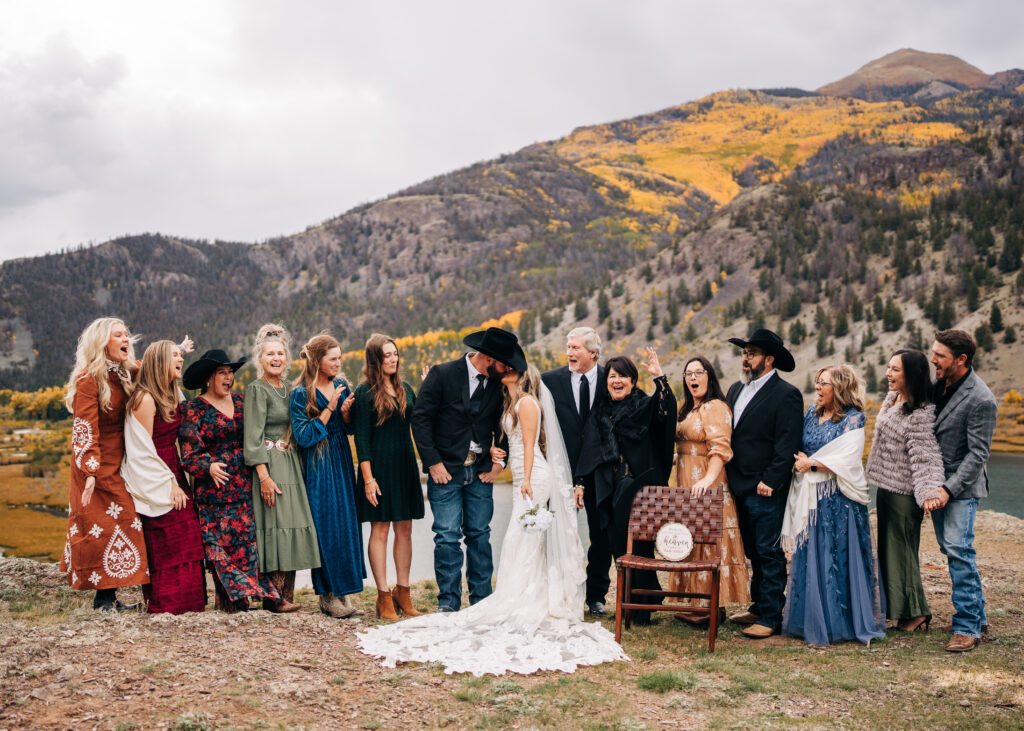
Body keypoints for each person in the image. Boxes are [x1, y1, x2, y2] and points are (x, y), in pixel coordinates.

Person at [358, 361, 627, 676]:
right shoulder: (509, 400)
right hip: (518, 479)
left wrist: (522, 476)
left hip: (533, 478)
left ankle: (526, 601)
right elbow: (503, 437)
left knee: (520, 538)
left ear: (521, 374)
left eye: (509, 367)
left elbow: (529, 446)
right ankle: (512, 596)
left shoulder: (527, 402)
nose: (503, 369)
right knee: (518, 539)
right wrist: (499, 455)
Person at [180, 349, 297, 613]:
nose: (229, 378)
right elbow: (188, 454)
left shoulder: (242, 402)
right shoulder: (193, 409)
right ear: (209, 378)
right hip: (214, 493)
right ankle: (233, 604)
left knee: (247, 546)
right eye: (222, 373)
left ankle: (265, 597)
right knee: (219, 549)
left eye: (230, 373)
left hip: (244, 487)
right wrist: (207, 466)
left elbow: (257, 435)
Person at [409, 327, 515, 612]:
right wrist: (432, 463)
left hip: (481, 472)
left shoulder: (498, 383)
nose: (507, 369)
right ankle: (448, 603)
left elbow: (504, 422)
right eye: (504, 363)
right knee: (446, 536)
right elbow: (420, 419)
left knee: (480, 534)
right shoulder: (442, 374)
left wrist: (499, 464)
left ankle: (482, 602)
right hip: (445, 472)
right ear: (488, 358)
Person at [781, 365, 885, 646]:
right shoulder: (811, 416)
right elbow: (803, 448)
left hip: (840, 502)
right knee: (812, 556)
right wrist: (803, 459)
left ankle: (842, 622)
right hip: (812, 499)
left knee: (837, 558)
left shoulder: (853, 420)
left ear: (838, 388)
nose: (817, 387)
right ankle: (810, 618)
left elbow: (848, 460)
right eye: (816, 381)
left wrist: (811, 462)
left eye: (823, 383)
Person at [578, 348, 676, 625]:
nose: (616, 381)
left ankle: (641, 606)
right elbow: (589, 451)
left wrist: (660, 377)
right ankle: (625, 603)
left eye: (623, 376)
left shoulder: (643, 406)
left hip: (636, 489)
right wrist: (580, 483)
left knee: (638, 546)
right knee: (613, 544)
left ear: (632, 381)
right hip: (605, 488)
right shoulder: (600, 413)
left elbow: (665, 414)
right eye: (612, 376)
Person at [60, 317, 149, 611]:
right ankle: (104, 600)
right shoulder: (89, 380)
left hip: (119, 462)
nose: (126, 339)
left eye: (127, 334)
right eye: (118, 335)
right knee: (103, 526)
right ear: (102, 343)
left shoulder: (122, 374)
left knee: (118, 523)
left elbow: (150, 367)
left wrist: (175, 353)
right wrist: (89, 472)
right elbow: (84, 427)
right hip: (95, 465)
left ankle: (107, 599)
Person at [723, 329, 803, 639]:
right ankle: (757, 606)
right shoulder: (734, 390)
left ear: (769, 360)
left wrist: (771, 480)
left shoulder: (787, 394)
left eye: (751, 353)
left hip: (764, 488)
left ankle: (771, 616)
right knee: (753, 551)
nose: (745, 358)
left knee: (769, 553)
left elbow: (787, 443)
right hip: (737, 484)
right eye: (744, 353)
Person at [121, 340, 206, 614]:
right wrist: (169, 483)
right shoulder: (144, 399)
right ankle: (168, 605)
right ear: (159, 363)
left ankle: (190, 605)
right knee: (168, 537)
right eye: (174, 356)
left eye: (181, 355)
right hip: (156, 473)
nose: (180, 360)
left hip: (173, 468)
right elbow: (141, 449)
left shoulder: (171, 393)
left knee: (189, 533)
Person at [926, 330, 998, 653]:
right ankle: (978, 615)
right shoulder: (939, 386)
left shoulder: (982, 399)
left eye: (939, 356)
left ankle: (967, 626)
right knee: (951, 548)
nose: (933, 360)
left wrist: (947, 490)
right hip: (936, 483)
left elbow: (978, 455)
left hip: (961, 488)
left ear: (961, 359)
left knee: (958, 548)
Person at [865, 349, 946, 634]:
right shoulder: (893, 399)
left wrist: (928, 492)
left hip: (904, 494)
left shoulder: (920, 411)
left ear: (911, 374)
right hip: (886, 488)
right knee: (890, 552)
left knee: (903, 553)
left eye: (895, 370)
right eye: (888, 368)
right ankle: (900, 610)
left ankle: (917, 612)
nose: (888, 374)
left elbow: (926, 456)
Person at [244, 324, 322, 607]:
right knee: (274, 525)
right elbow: (252, 437)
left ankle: (287, 595)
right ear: (260, 359)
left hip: (290, 463)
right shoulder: (257, 389)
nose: (276, 358)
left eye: (280, 353)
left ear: (286, 359)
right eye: (269, 354)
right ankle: (272, 597)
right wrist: (263, 477)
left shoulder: (290, 389)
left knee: (292, 524)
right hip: (269, 466)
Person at [669, 355, 750, 626]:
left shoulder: (715, 407)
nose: (693, 378)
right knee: (692, 540)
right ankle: (697, 603)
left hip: (707, 483)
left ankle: (712, 606)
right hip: (685, 481)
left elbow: (720, 448)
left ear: (709, 376)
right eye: (688, 373)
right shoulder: (688, 409)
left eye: (699, 372)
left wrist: (708, 479)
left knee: (709, 541)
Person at [290, 333, 363, 619]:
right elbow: (304, 436)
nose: (338, 363)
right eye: (333, 359)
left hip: (342, 457)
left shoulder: (342, 385)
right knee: (326, 525)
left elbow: (349, 430)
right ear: (318, 361)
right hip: (318, 463)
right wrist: (330, 407)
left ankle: (344, 592)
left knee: (345, 523)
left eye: (339, 358)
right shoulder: (301, 393)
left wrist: (345, 414)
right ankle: (327, 595)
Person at [353, 334, 425, 620]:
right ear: (375, 359)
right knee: (380, 529)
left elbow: (420, 422)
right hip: (378, 469)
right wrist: (369, 479)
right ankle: (383, 596)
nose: (393, 359)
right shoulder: (364, 392)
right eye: (387, 355)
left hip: (405, 465)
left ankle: (403, 592)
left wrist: (428, 387)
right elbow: (361, 438)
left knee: (404, 529)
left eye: (395, 353)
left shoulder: (405, 388)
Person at [541, 326, 611, 616]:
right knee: (557, 531)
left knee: (601, 535)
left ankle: (596, 596)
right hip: (561, 470)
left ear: (592, 353)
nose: (569, 353)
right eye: (568, 347)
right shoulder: (549, 381)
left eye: (576, 348)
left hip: (599, 471)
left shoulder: (612, 379)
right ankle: (557, 592)